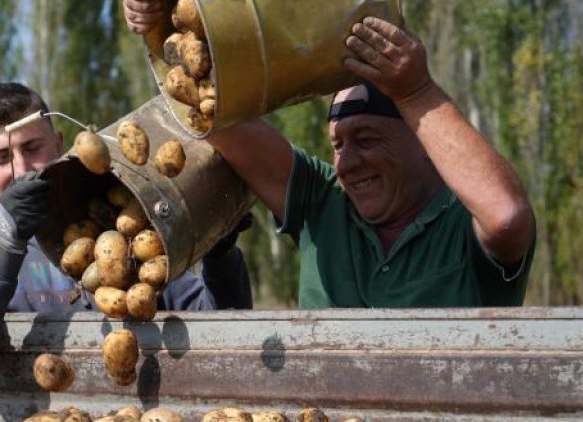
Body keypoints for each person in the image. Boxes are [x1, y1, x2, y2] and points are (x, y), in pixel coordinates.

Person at [123, 4, 536, 308]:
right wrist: (158, 23)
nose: (348, 162)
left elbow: (508, 216)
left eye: (368, 139)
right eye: (338, 144)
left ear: (423, 141)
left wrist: (416, 92)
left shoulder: (462, 226)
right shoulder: (323, 204)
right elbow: (211, 113)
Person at [0, 82, 252, 370]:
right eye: (0, 158)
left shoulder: (119, 230)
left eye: (32, 148)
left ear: (59, 144)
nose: (22, 170)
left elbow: (218, 328)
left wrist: (219, 253)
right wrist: (8, 233)